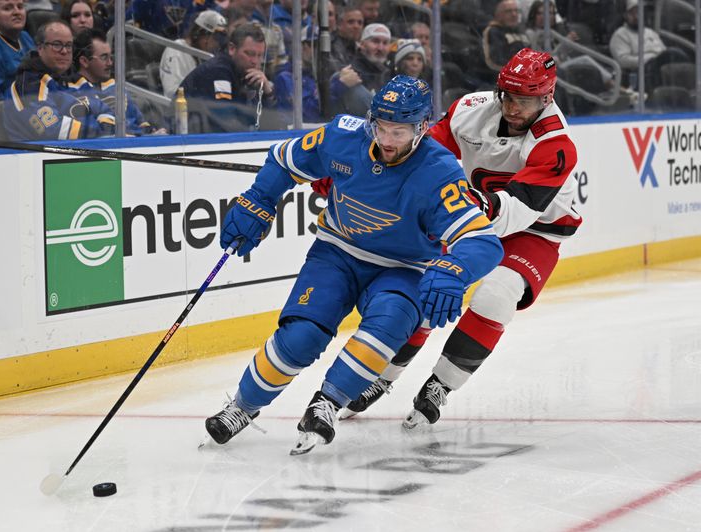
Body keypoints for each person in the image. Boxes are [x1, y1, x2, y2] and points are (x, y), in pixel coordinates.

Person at [202, 75, 503, 455]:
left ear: (422, 127)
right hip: (336, 252)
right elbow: (284, 159)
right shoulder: (343, 136)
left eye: (400, 131)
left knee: (390, 323)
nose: (388, 140)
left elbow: (483, 241)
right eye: (381, 127)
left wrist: (454, 269)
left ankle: (328, 401)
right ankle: (242, 407)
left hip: (403, 267)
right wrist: (260, 198)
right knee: (301, 337)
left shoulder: (440, 170)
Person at [340, 49, 582, 428]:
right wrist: (376, 168)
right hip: (475, 216)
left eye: (526, 100)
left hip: (535, 229)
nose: (514, 107)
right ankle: (380, 377)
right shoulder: (470, 109)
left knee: (497, 293)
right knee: (427, 288)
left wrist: (461, 205)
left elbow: (519, 209)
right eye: (508, 96)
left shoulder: (556, 145)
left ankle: (441, 385)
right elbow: (420, 150)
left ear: (546, 98)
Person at [3, 20, 115, 141]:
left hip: (87, 151)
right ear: (40, 48)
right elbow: (54, 131)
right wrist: (102, 133)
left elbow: (105, 109)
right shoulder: (28, 85)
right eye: (57, 45)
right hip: (41, 156)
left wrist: (107, 131)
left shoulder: (76, 80)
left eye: (68, 45)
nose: (64, 51)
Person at [179, 22, 276, 133]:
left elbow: (274, 128)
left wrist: (268, 93)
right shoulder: (218, 71)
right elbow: (226, 125)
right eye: (249, 54)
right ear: (232, 49)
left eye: (259, 56)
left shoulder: (248, 77)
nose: (255, 61)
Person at [72, 29, 166, 135]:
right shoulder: (72, 92)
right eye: (104, 57)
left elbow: (141, 123)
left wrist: (152, 133)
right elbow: (95, 134)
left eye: (110, 57)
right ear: (84, 61)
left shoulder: (115, 87)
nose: (110, 63)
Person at [609, 0, 688, 93]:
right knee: (672, 54)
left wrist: (657, 58)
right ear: (625, 15)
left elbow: (663, 50)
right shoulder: (620, 34)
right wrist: (649, 59)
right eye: (632, 13)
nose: (637, 16)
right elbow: (623, 60)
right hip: (640, 71)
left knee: (677, 56)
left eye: (639, 12)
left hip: (661, 65)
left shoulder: (650, 32)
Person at [159, 10, 227, 102]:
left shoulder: (203, 55)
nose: (217, 44)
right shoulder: (177, 52)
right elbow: (172, 93)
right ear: (203, 35)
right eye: (216, 38)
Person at [329, 22, 391, 117]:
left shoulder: (389, 75)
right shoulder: (350, 72)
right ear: (361, 44)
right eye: (375, 41)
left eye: (385, 43)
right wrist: (339, 85)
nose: (380, 48)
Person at [273, 24, 320, 124]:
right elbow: (306, 115)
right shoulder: (285, 77)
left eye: (320, 47)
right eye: (314, 46)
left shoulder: (319, 75)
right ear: (302, 46)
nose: (318, 51)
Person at [482, 0, 530, 71]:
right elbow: (495, 61)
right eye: (508, 11)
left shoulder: (521, 31)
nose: (514, 14)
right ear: (499, 15)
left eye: (516, 11)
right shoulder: (493, 31)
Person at [329, 4, 363, 72]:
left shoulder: (361, 49)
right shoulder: (329, 46)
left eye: (360, 23)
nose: (356, 26)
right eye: (351, 22)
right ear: (339, 24)